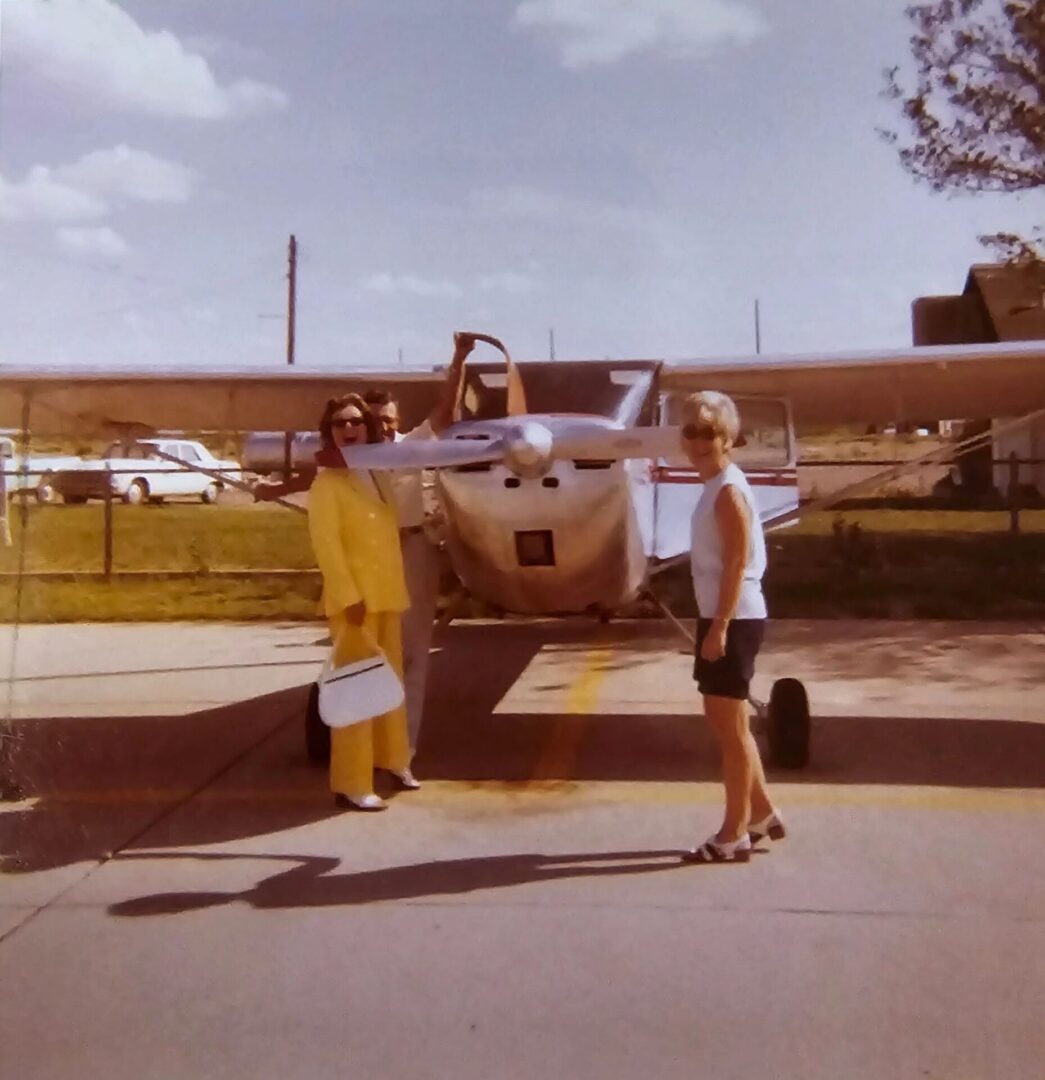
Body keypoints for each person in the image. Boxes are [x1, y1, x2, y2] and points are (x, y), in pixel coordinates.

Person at [256, 333, 474, 753]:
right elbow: (318, 476)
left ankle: (400, 749)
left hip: (410, 553)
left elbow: (446, 410)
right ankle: (356, 744)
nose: (384, 425)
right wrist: (274, 487)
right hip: (365, 561)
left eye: (390, 418)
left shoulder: (411, 447)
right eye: (376, 418)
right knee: (359, 650)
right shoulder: (350, 458)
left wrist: (459, 356)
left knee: (411, 654)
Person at [679, 390, 783, 863]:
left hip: (734, 617)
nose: (699, 441)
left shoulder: (727, 491)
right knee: (726, 723)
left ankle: (732, 833)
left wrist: (719, 628)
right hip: (723, 616)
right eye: (691, 431)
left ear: (728, 438)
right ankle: (762, 813)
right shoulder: (716, 484)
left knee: (731, 729)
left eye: (709, 432)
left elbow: (737, 563)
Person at [307, 393, 418, 811]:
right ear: (329, 432)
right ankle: (352, 782)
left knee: (393, 686)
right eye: (339, 423)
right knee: (356, 692)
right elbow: (327, 545)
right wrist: (348, 595)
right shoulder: (326, 483)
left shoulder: (376, 474)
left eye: (355, 422)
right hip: (355, 603)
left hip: (387, 595)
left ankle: (393, 761)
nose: (349, 428)